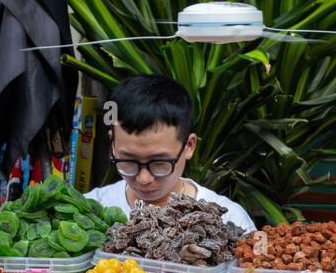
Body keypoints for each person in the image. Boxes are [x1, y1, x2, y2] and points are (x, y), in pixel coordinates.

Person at [87, 75, 256, 231]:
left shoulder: (230, 221)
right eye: (128, 161)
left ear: (189, 146)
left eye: (159, 163)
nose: (143, 179)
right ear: (113, 144)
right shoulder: (86, 211)